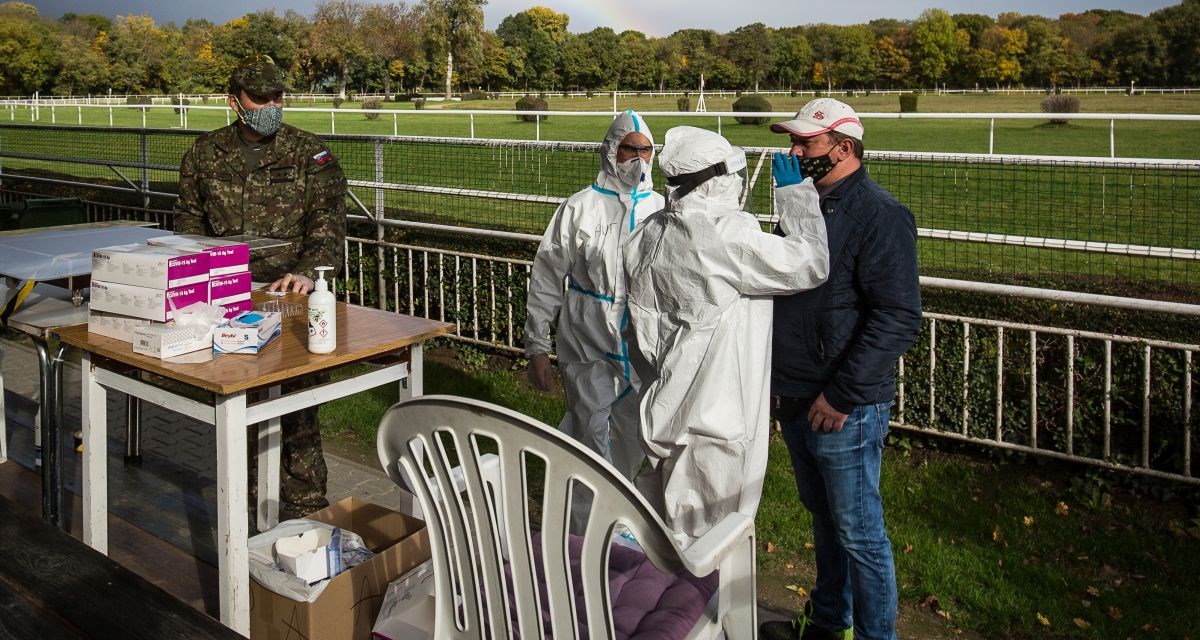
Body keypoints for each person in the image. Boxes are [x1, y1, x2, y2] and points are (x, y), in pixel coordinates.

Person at [759, 99, 922, 640]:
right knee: (824, 521)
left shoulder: (880, 214)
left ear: (844, 149)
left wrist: (843, 394)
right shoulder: (802, 205)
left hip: (842, 404)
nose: (794, 151)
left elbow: (898, 318)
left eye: (806, 144)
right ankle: (830, 623)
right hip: (798, 393)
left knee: (859, 533)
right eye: (795, 141)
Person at [622, 125, 829, 548]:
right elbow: (810, 263)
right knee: (706, 547)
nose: (739, 181)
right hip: (717, 421)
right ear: (715, 179)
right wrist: (796, 197)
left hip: (664, 408)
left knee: (659, 528)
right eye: (734, 172)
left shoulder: (647, 233)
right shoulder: (727, 234)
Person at [174, 54, 348, 519]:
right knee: (235, 397)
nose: (272, 104)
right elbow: (188, 224)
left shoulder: (310, 153)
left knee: (297, 405)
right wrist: (196, 279)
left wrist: (310, 272)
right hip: (226, 298)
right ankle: (246, 499)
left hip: (290, 298)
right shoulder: (204, 154)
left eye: (278, 96)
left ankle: (306, 504)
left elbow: (328, 224)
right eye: (261, 97)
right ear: (235, 102)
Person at [524, 110, 664, 525]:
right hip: (587, 341)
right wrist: (537, 345)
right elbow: (547, 275)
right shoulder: (580, 208)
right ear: (610, 150)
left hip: (642, 348)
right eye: (629, 148)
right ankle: (583, 533)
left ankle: (618, 516)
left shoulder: (662, 209)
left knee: (635, 435)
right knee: (591, 432)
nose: (638, 158)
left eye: (646, 150)